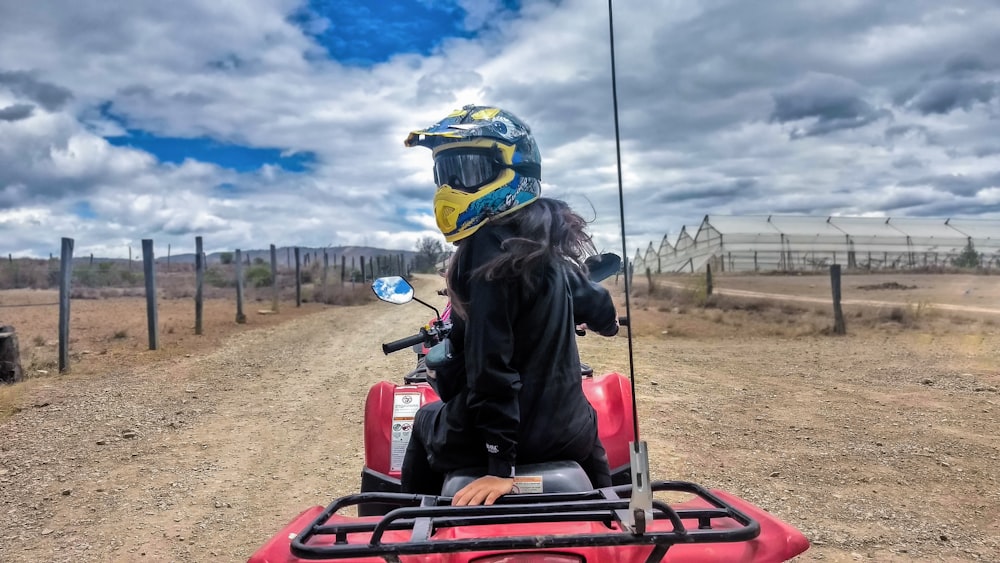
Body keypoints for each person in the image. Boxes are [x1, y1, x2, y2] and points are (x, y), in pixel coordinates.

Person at [401, 105, 619, 506]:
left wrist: (500, 467)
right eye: (445, 174)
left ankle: (407, 528)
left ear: (513, 169)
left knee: (421, 422)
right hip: (565, 432)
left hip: (499, 440)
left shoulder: (484, 250)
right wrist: (609, 324)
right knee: (588, 424)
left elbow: (490, 371)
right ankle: (613, 514)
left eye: (467, 172)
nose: (452, 187)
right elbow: (595, 300)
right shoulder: (547, 245)